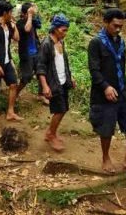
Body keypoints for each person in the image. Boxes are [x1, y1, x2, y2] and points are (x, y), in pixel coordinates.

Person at [88, 8, 126, 178]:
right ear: (105, 23)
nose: (118, 29)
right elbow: (94, 69)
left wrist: (124, 86)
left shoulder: (121, 42)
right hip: (103, 92)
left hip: (122, 90)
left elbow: (122, 66)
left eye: (121, 26)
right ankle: (105, 158)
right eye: (115, 25)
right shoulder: (96, 43)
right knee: (106, 128)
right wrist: (105, 87)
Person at [37, 14, 76, 152]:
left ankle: (52, 132)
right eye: (63, 30)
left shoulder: (60, 42)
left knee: (64, 109)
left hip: (63, 81)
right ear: (55, 29)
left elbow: (64, 62)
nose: (65, 33)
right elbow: (40, 66)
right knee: (59, 110)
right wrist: (45, 86)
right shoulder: (46, 44)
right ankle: (50, 134)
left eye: (66, 30)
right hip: (53, 82)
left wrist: (70, 77)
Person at [16, 2, 47, 104]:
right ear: (24, 14)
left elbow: (39, 24)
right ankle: (15, 92)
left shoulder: (33, 21)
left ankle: (40, 95)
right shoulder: (19, 23)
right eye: (30, 13)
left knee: (41, 72)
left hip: (36, 52)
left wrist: (35, 12)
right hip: (26, 54)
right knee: (27, 76)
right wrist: (29, 16)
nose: (32, 15)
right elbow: (27, 29)